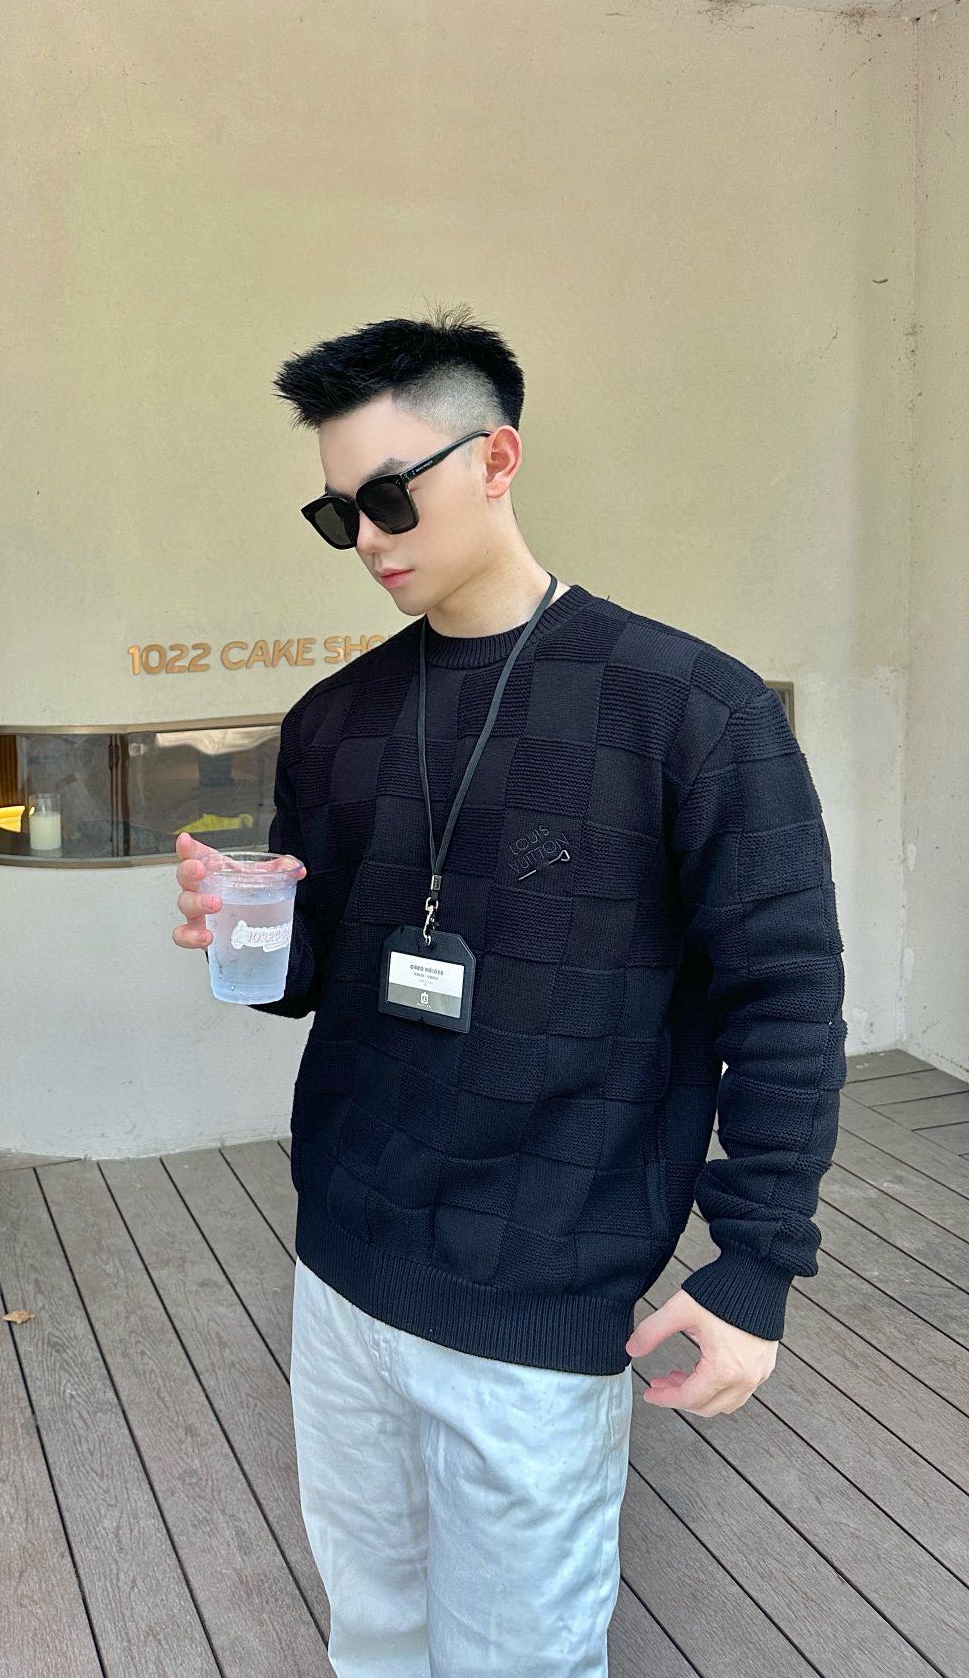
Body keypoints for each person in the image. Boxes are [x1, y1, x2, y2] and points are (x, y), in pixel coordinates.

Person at [171, 306, 847, 1678]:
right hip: (344, 1266)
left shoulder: (692, 711)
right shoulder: (334, 723)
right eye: (336, 515)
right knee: (374, 1633)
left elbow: (785, 997)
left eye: (388, 496)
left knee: (518, 1659)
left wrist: (757, 1263)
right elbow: (323, 981)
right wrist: (258, 939)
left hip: (545, 1287)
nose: (367, 538)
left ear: (498, 458)